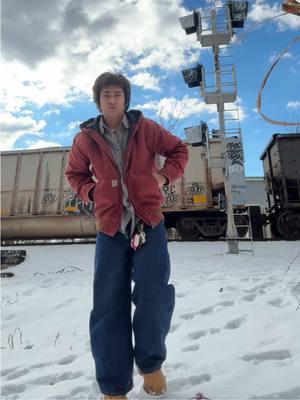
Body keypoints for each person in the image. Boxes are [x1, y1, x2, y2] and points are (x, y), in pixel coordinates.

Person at [65, 72, 188, 399]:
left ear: (126, 99)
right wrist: (92, 192)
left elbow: (179, 150)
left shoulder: (146, 130)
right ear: (98, 101)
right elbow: (74, 173)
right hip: (110, 229)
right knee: (107, 306)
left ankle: (151, 365)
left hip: (149, 222)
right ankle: (114, 386)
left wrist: (162, 177)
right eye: (106, 94)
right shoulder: (85, 139)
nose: (112, 99)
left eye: (118, 93)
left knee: (153, 293)